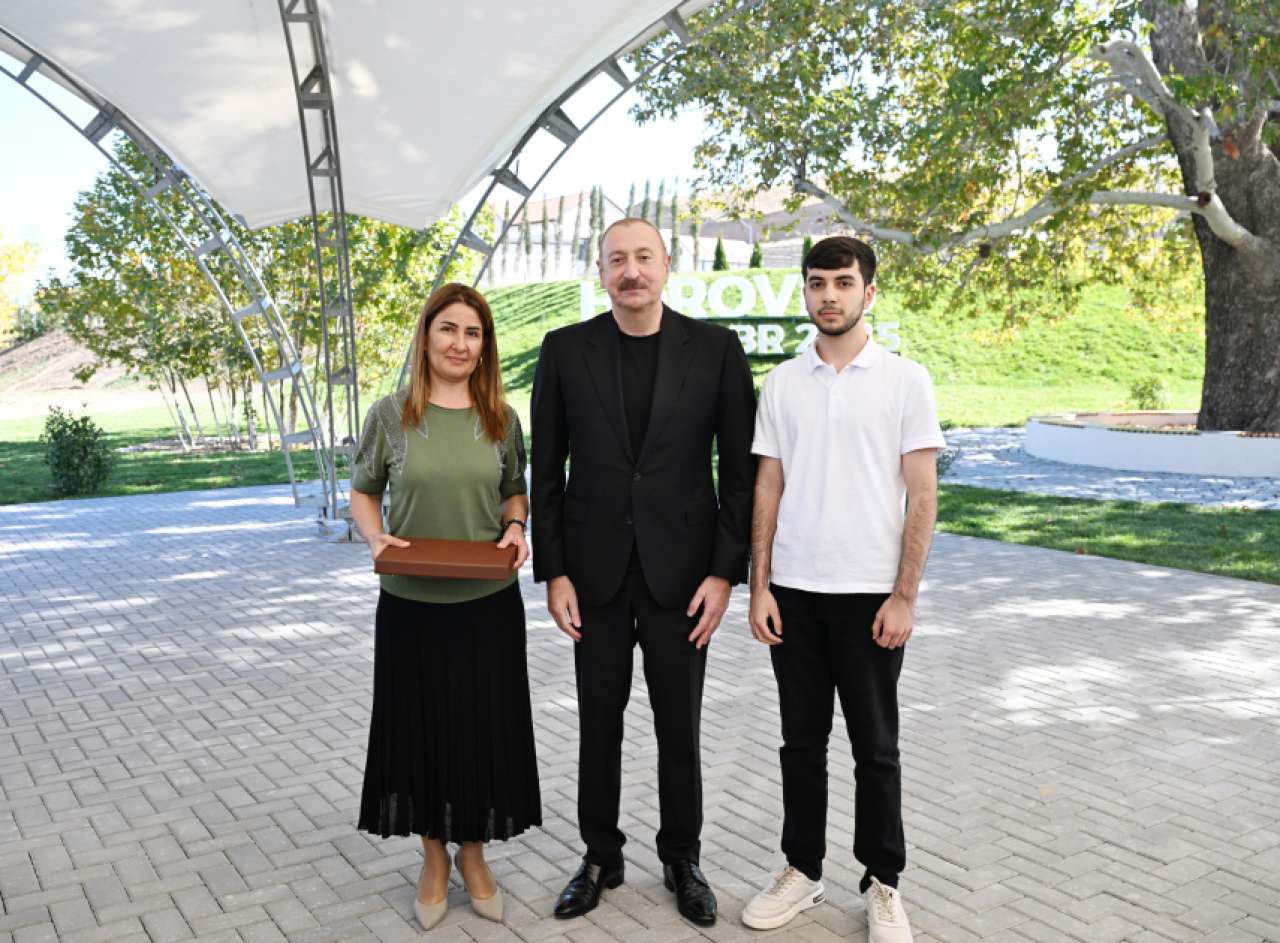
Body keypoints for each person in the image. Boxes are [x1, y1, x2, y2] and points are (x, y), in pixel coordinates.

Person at [531, 218, 755, 927]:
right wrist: (555, 572)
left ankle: (682, 857)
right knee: (598, 724)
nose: (631, 271)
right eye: (617, 259)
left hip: (683, 578)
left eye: (643, 257)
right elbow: (547, 472)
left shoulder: (716, 350)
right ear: (600, 271)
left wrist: (724, 574)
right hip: (593, 576)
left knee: (678, 727)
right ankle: (601, 857)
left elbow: (740, 473)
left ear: (666, 264)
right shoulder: (565, 350)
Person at [741, 236, 944, 943]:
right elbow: (768, 488)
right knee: (800, 743)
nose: (829, 294)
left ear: (869, 292)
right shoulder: (782, 383)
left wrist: (904, 595)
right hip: (794, 592)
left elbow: (923, 495)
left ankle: (883, 883)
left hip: (870, 597)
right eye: (817, 282)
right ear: (805, 290)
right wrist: (759, 586)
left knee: (875, 749)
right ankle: (802, 869)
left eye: (843, 282)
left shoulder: (905, 380)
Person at [350, 282, 540, 931]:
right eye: (449, 329)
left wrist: (516, 526)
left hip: (488, 606)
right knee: (421, 730)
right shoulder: (390, 415)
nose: (460, 343)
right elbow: (363, 489)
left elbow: (515, 489)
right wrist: (375, 536)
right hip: (411, 606)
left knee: (482, 730)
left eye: (473, 333)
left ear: (485, 346)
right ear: (426, 335)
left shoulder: (501, 418)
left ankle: (474, 853)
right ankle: (434, 855)